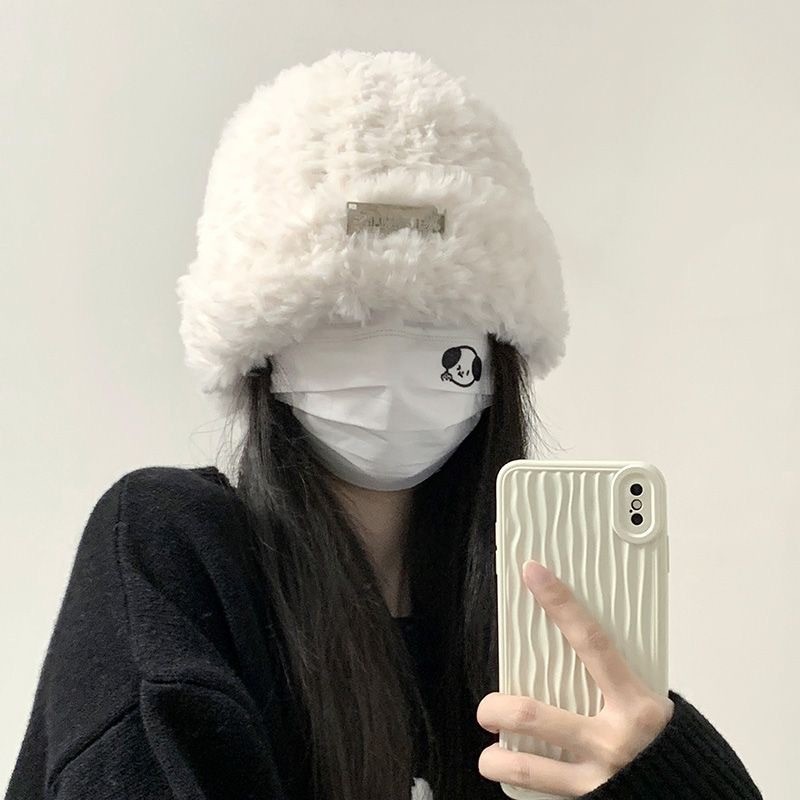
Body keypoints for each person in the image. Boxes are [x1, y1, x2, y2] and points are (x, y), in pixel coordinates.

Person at [5, 49, 762, 800]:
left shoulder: (532, 634)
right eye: (347, 319)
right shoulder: (177, 550)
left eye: (437, 321)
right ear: (266, 352)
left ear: (496, 352)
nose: (393, 364)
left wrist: (663, 767)